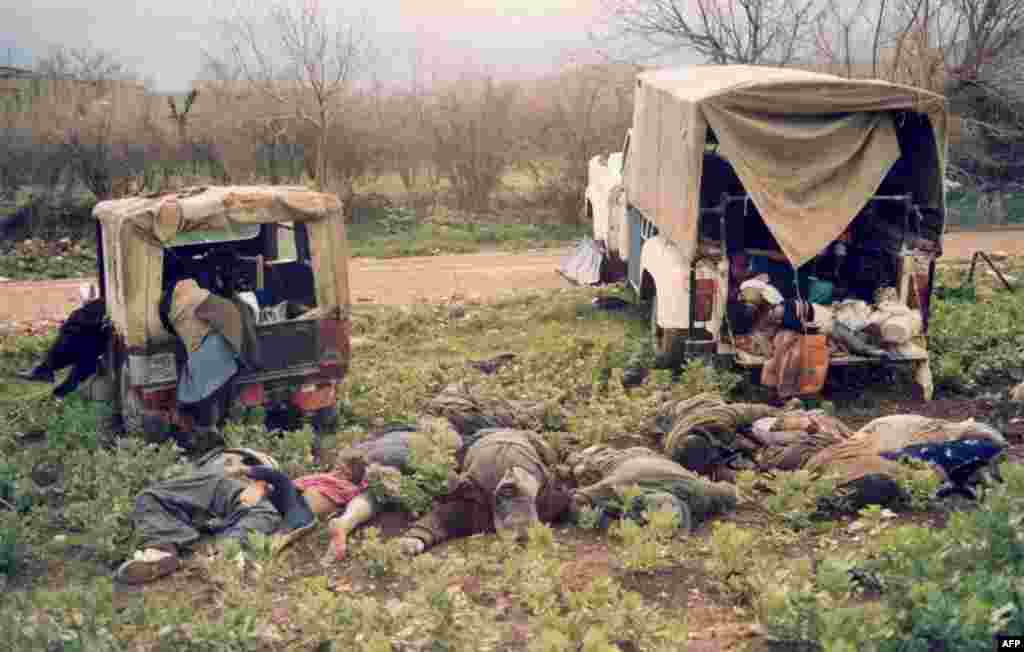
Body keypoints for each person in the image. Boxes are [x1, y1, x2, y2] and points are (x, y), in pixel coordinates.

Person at [394, 429, 572, 555]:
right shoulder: (479, 509)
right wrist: (417, 537)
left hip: (502, 449)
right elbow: (444, 517)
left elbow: (444, 516)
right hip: (498, 448)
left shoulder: (543, 501)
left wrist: (418, 537)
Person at [562, 445, 737, 532]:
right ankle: (568, 450)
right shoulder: (619, 484)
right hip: (618, 461)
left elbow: (729, 492)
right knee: (580, 465)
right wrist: (609, 525)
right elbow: (575, 502)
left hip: (654, 457)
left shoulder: (698, 491)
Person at [16, 285, 111, 398]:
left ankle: (47, 374)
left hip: (98, 336)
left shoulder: (95, 308)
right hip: (96, 337)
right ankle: (50, 377)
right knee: (81, 345)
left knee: (78, 339)